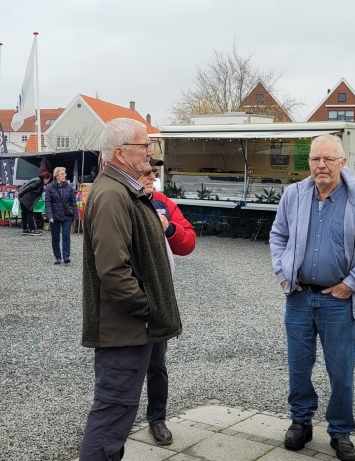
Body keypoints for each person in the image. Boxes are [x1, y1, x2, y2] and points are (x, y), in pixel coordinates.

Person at [269, 134, 355, 461]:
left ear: (342, 163)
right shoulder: (294, 195)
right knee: (298, 366)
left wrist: (351, 283)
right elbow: (278, 235)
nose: (321, 165)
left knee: (341, 371)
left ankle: (340, 431)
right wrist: (283, 273)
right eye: (315, 159)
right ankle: (300, 421)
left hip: (340, 301)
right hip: (299, 297)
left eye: (328, 159)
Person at [79, 118, 181, 460]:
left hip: (131, 329)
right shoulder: (112, 194)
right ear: (121, 153)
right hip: (124, 331)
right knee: (112, 415)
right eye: (144, 145)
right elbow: (113, 270)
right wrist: (147, 308)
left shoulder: (122, 190)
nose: (150, 152)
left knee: (117, 415)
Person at [136, 158, 196, 446]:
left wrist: (169, 228)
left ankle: (157, 419)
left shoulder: (163, 203)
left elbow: (188, 243)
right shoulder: (120, 201)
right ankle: (117, 419)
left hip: (159, 297)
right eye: (146, 171)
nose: (151, 176)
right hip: (127, 296)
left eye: (154, 172)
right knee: (122, 365)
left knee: (156, 364)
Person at [44, 166, 78, 264]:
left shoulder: (69, 187)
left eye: (65, 173)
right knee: (55, 237)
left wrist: (75, 216)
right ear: (56, 176)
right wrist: (50, 216)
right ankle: (57, 257)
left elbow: (73, 202)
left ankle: (66, 256)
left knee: (66, 236)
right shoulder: (50, 187)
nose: (64, 175)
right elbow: (48, 202)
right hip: (55, 216)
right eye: (62, 174)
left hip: (67, 216)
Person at [17, 170, 50, 236]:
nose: (48, 181)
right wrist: (19, 193)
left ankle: (25, 229)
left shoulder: (36, 179)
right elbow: (28, 188)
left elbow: (26, 184)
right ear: (45, 178)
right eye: (48, 180)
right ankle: (32, 229)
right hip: (27, 199)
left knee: (24, 214)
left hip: (23, 198)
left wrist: (19, 191)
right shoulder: (38, 182)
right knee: (30, 214)